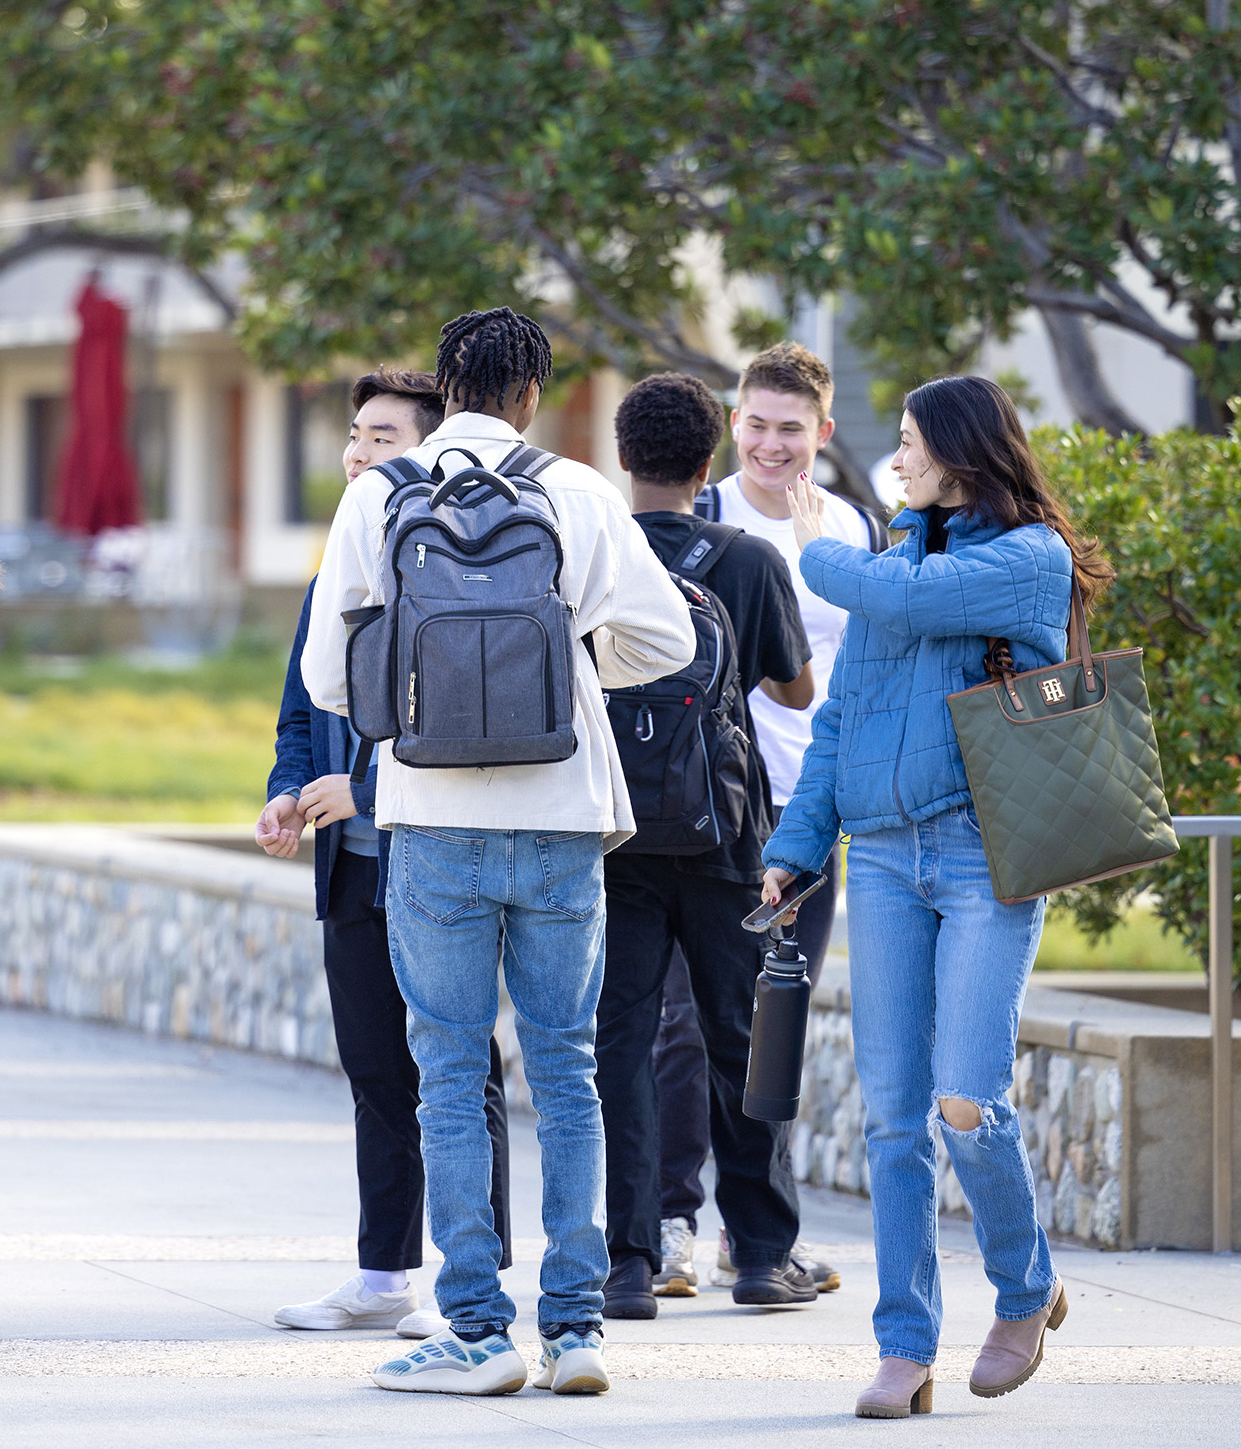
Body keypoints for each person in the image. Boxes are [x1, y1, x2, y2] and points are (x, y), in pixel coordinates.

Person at [303, 308, 695, 1399]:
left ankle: (477, 1328)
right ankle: (574, 1327)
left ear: (443, 385)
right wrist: (567, 670)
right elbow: (674, 639)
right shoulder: (573, 490)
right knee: (566, 1066)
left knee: (448, 1069)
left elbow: (331, 679)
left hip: (430, 815)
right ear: (531, 394)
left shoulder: (379, 493)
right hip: (565, 812)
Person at [758, 373, 1108, 1418]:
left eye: (910, 443)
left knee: (966, 1096)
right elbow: (839, 722)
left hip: (981, 850)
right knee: (892, 1119)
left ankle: (1022, 1284)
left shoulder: (1025, 559)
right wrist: (794, 845)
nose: (897, 461)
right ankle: (902, 1344)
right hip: (880, 858)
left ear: (962, 450)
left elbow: (897, 600)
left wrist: (811, 539)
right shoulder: (894, 559)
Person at [256, 368, 514, 1340]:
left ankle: (470, 1273)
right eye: (354, 435)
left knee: (457, 1066)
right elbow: (299, 710)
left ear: (427, 455)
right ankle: (381, 1272)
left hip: (434, 855)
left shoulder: (454, 569)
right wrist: (290, 789)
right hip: (351, 867)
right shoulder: (335, 569)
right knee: (374, 1069)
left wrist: (360, 790)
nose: (359, 452)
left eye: (382, 436)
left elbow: (460, 723)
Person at [593, 373, 821, 1323]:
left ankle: (632, 1262)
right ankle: (764, 1253)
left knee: (626, 1043)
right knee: (743, 1035)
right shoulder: (750, 559)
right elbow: (798, 693)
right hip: (730, 835)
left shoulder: (591, 556)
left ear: (623, 459)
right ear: (708, 462)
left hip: (615, 836)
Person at [662, 342, 880, 1296]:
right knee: (681, 1021)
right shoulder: (694, 516)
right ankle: (670, 1222)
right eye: (755, 423)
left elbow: (868, 667)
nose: (770, 443)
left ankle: (756, 1240)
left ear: (823, 434)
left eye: (791, 427)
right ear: (731, 422)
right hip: (704, 809)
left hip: (806, 811)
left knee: (772, 1022)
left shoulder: (857, 531)